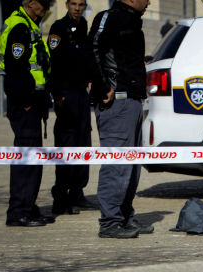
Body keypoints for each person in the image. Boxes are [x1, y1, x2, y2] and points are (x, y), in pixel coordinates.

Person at [89, 0, 153, 238]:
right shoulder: (109, 17)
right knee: (116, 165)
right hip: (117, 102)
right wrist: (102, 84)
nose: (149, 2)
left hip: (133, 100)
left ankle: (125, 218)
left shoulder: (132, 21)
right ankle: (109, 223)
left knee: (131, 166)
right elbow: (91, 49)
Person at [0, 0, 56, 227]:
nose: (47, 7)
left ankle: (28, 207)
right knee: (26, 159)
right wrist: (25, 101)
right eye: (43, 2)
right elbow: (15, 69)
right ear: (30, 3)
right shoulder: (19, 27)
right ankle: (18, 212)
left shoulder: (29, 25)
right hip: (25, 105)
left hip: (33, 103)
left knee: (33, 159)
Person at [48, 0, 98, 215]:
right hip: (66, 93)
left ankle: (78, 192)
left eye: (81, 4)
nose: (77, 8)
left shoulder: (84, 25)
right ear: (67, 4)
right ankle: (62, 196)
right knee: (67, 143)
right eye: (74, 4)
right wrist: (57, 95)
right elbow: (54, 63)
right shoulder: (58, 28)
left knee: (82, 142)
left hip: (80, 93)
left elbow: (86, 58)